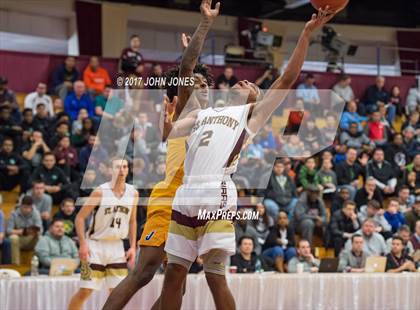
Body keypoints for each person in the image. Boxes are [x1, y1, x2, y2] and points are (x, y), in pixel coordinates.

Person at [159, 4, 334, 310]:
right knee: (173, 274)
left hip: (217, 190)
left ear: (256, 99)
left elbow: (287, 78)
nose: (245, 82)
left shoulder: (250, 117)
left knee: (215, 276)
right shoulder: (204, 112)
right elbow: (169, 131)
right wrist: (164, 120)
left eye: (252, 85)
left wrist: (306, 34)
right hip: (186, 191)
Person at [102, 10, 216, 308]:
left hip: (191, 207)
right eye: (196, 84)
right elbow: (187, 70)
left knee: (176, 288)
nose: (202, 88)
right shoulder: (185, 111)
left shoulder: (210, 120)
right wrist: (204, 25)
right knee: (142, 273)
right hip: (169, 200)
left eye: (205, 84)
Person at [67, 157, 138, 310]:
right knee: (85, 291)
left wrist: (133, 247)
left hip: (117, 247)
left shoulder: (133, 193)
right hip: (95, 245)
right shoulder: (100, 192)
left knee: (117, 293)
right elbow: (79, 218)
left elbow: (133, 221)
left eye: (125, 167)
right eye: (118, 167)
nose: (122, 170)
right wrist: (83, 244)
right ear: (110, 170)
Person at [7, 196, 42, 265]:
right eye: (25, 207)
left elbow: (41, 230)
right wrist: (21, 231)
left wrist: (35, 232)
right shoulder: (14, 213)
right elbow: (8, 230)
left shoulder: (36, 213)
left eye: (29, 208)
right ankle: (16, 264)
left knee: (41, 238)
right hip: (19, 240)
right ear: (21, 206)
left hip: (31, 239)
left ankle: (38, 264)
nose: (27, 210)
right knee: (13, 238)